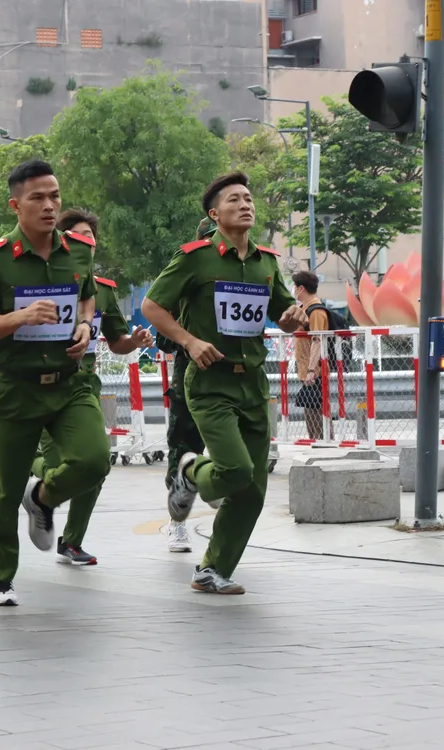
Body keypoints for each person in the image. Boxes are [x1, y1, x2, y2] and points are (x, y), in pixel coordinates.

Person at [142, 171, 306, 595]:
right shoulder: (195, 257)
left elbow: (287, 316)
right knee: (236, 470)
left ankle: (211, 569)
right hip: (209, 383)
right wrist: (190, 341)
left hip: (252, 383)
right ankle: (191, 471)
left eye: (249, 198)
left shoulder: (267, 262)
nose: (245, 205)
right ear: (215, 214)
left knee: (251, 491)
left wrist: (292, 319)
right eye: (234, 200)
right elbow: (151, 306)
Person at [0, 159, 112, 606]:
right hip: (16, 386)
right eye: (37, 198)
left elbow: (86, 295)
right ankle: (1, 576)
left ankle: (43, 496)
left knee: (94, 460)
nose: (49, 206)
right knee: (5, 491)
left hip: (69, 383)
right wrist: (19, 317)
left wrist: (85, 325)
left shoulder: (79, 251)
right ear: (16, 205)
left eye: (55, 196)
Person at [29, 208, 154, 565]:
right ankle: (31, 472)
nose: (89, 244)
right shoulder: (43, 281)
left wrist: (137, 339)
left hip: (81, 387)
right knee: (62, 466)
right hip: (40, 386)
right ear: (64, 242)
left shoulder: (103, 291)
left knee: (97, 465)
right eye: (80, 237)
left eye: (92, 238)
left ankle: (71, 540)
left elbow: (117, 341)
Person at [157, 217, 215, 554]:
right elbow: (164, 339)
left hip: (233, 379)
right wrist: (187, 337)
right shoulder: (183, 283)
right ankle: (177, 524)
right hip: (189, 383)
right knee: (182, 451)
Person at [292, 270, 332, 442]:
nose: (293, 290)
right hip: (307, 370)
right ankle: (316, 441)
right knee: (310, 409)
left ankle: (324, 443)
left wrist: (311, 370)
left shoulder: (316, 311)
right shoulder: (304, 309)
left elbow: (318, 341)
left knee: (317, 411)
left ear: (301, 288)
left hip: (315, 372)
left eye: (294, 287)